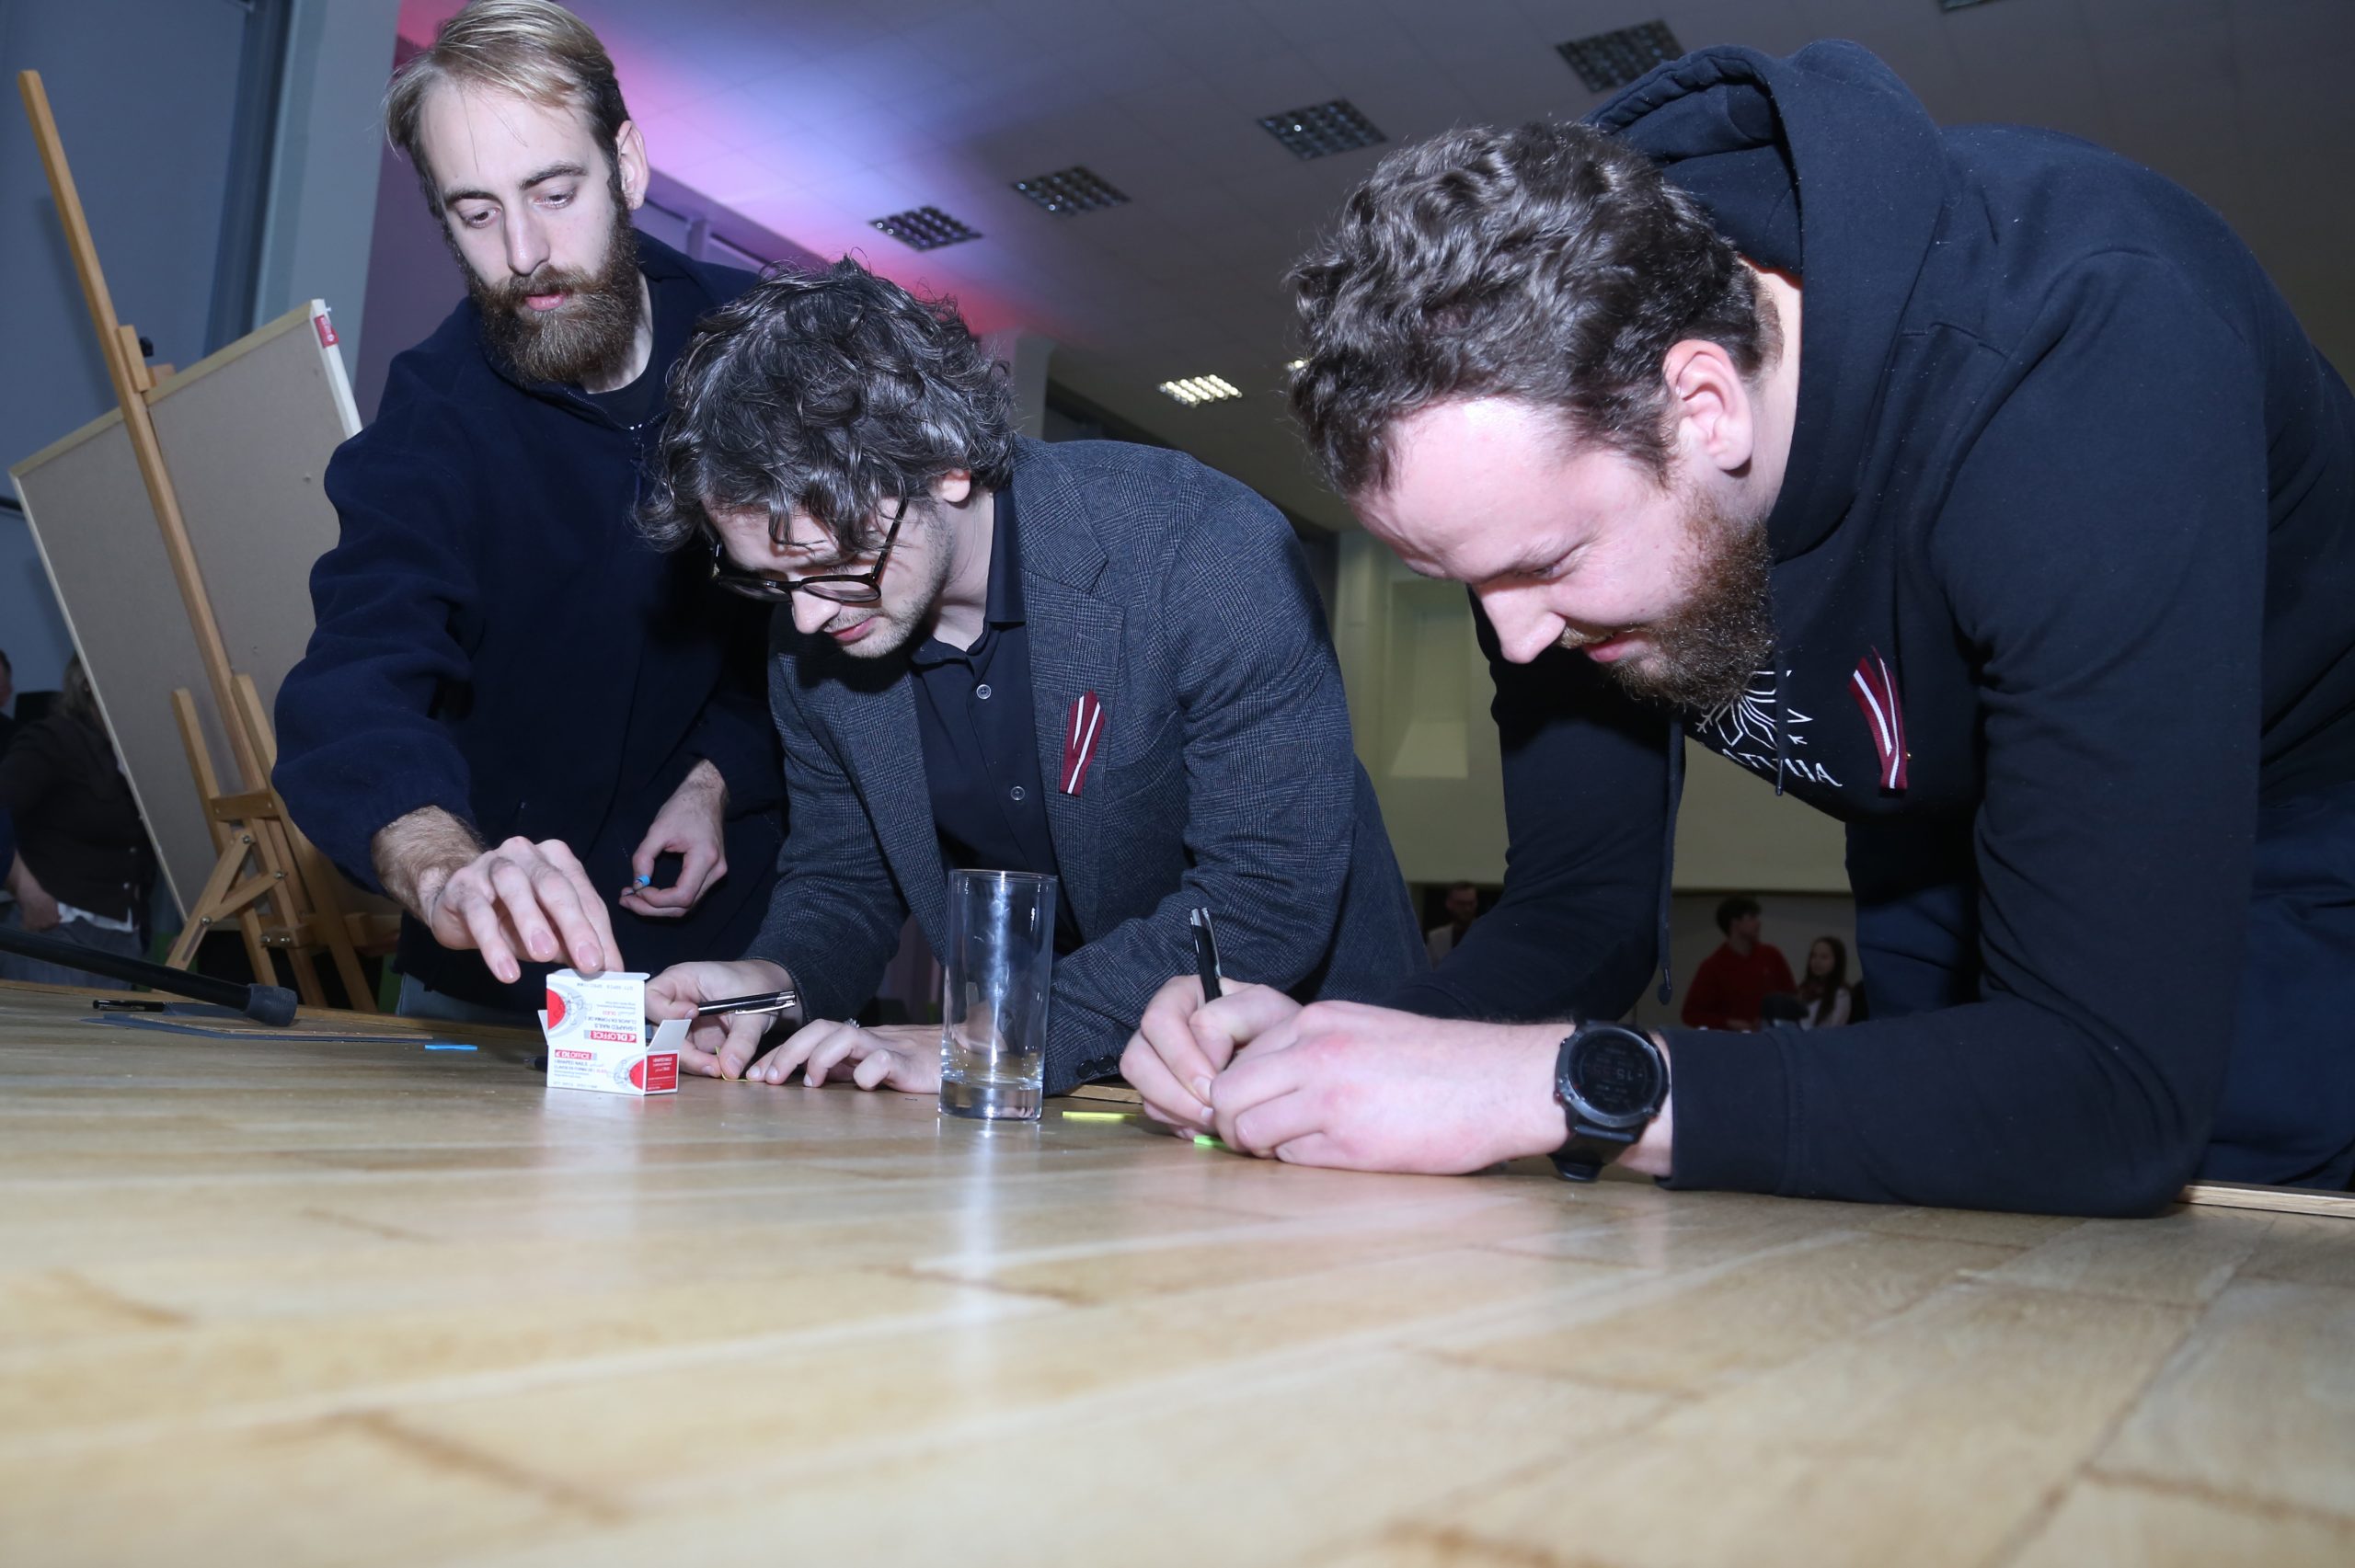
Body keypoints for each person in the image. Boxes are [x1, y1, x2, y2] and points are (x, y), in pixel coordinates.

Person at [1122, 41, 2355, 1214]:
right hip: (1925, 833)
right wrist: (1350, 1051)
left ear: (1703, 403)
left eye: (1547, 564)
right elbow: (1583, 910)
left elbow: (2114, 1095)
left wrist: (1555, 1087)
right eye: (1461, 580)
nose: (1517, 643)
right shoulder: (1549, 488)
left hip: (2280, 830)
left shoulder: (2083, 361)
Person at [637, 260, 1423, 1096]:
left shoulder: (1205, 548)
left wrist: (996, 1034)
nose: (804, 618)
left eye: (834, 565)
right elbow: (843, 881)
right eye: (771, 580)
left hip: (1312, 1055)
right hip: (1067, 1085)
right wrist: (769, 982)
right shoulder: (813, 635)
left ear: (944, 462)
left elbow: (1264, 896)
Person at [273, 0, 782, 1023]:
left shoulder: (763, 347)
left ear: (625, 166)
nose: (524, 252)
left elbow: (815, 633)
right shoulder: (433, 417)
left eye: (555, 193)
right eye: (476, 213)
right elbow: (355, 685)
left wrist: (719, 773)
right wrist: (443, 866)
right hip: (496, 976)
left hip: (730, 967)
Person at [0, 658, 155, 985]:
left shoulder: (136, 754)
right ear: (87, 681)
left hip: (122, 939)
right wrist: (28, 891)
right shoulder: (54, 738)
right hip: (57, 930)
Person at [1679, 894, 1794, 1031]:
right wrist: (1729, 1023)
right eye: (1751, 918)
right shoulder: (1713, 966)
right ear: (1735, 923)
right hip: (1732, 1039)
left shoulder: (1771, 955)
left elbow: (1791, 997)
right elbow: (1691, 1014)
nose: (1758, 923)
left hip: (1772, 1036)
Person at [1795, 936, 1852, 1031]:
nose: (1817, 961)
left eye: (1824, 957)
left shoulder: (1841, 994)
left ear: (1837, 961)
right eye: (1814, 956)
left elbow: (1834, 1028)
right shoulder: (1804, 988)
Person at [1424, 881, 1481, 965]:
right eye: (1461, 904)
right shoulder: (1436, 938)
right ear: (1449, 903)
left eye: (1471, 903)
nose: (1467, 909)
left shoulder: (1487, 934)